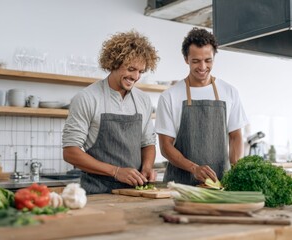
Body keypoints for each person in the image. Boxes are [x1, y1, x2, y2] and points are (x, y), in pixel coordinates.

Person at [62, 30, 159, 194]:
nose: (135, 77)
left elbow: (148, 143)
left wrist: (147, 167)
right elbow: (70, 152)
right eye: (131, 69)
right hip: (97, 192)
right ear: (114, 63)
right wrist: (116, 172)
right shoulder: (87, 98)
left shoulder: (143, 100)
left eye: (140, 71)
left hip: (135, 192)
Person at [155, 27, 248, 186]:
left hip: (220, 183)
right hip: (180, 185)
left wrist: (237, 169)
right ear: (186, 59)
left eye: (208, 60)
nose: (203, 67)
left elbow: (235, 136)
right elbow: (165, 146)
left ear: (214, 57)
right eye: (196, 61)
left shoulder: (229, 92)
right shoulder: (169, 96)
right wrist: (194, 168)